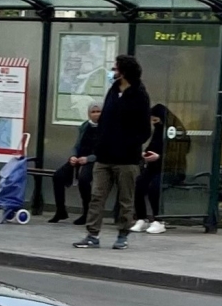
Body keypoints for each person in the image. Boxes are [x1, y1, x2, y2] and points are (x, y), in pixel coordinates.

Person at [78, 55, 151, 249]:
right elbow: (105, 121)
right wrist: (100, 144)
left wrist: (127, 144)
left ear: (124, 72)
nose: (112, 71)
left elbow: (144, 130)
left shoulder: (139, 95)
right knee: (97, 196)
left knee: (125, 199)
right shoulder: (112, 91)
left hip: (127, 158)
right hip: (104, 156)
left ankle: (122, 234)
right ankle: (92, 235)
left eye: (115, 68)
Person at [51, 104, 101, 222]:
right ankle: (60, 210)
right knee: (58, 176)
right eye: (93, 111)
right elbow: (77, 145)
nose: (96, 114)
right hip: (79, 158)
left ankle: (87, 213)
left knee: (84, 180)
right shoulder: (85, 126)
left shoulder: (107, 127)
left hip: (95, 161)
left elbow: (105, 150)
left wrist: (89, 159)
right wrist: (73, 156)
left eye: (98, 111)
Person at [134, 102, 173, 234]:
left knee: (155, 187)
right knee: (139, 184)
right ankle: (141, 218)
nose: (154, 123)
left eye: (156, 120)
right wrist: (146, 154)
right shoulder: (157, 131)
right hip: (154, 167)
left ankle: (159, 219)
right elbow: (152, 146)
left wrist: (160, 157)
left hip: (170, 168)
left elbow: (178, 154)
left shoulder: (173, 131)